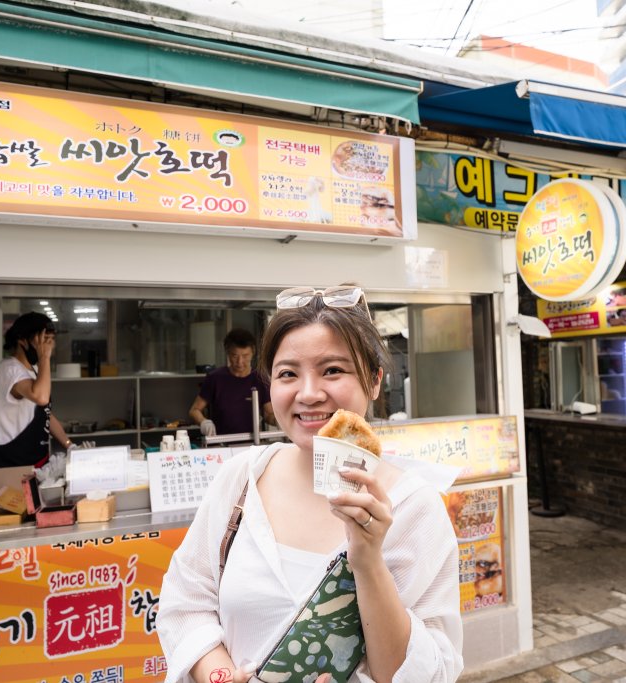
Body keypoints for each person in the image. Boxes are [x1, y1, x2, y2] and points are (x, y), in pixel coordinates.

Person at [158, 285, 463, 683]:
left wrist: (368, 562)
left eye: (332, 370)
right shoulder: (242, 478)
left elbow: (432, 672)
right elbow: (186, 602)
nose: (308, 393)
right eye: (288, 374)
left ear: (374, 381)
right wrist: (220, 676)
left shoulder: (413, 507)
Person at [0, 311, 71, 468]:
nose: (49, 347)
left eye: (52, 341)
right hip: (11, 466)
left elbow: (45, 413)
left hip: (36, 464)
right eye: (44, 340)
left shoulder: (32, 370)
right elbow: (40, 397)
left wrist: (69, 445)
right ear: (22, 341)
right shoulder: (9, 369)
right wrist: (44, 358)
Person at [189, 328, 274, 437]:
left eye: (245, 356)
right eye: (234, 355)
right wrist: (204, 422)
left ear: (253, 352)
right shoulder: (215, 378)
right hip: (220, 443)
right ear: (228, 353)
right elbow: (194, 410)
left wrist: (277, 421)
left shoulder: (260, 379)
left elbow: (269, 414)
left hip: (252, 443)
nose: (240, 362)